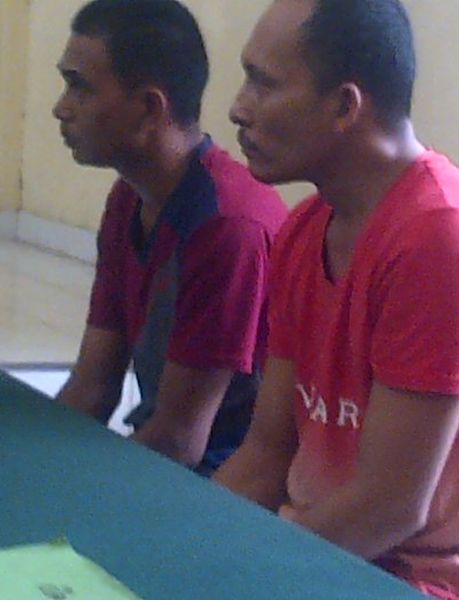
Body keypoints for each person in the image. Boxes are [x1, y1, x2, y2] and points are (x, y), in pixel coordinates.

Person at [214, 0, 459, 598]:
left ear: (345, 106)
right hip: (325, 552)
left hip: (423, 582)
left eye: (264, 83)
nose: (238, 107)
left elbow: (389, 508)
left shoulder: (442, 240)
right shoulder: (304, 230)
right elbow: (265, 455)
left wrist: (232, 573)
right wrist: (181, 539)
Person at [52, 0, 287, 475]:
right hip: (161, 453)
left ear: (149, 108)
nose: (61, 108)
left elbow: (180, 442)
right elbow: (93, 388)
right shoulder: (129, 199)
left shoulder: (227, 227)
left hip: (223, 482)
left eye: (80, 87)